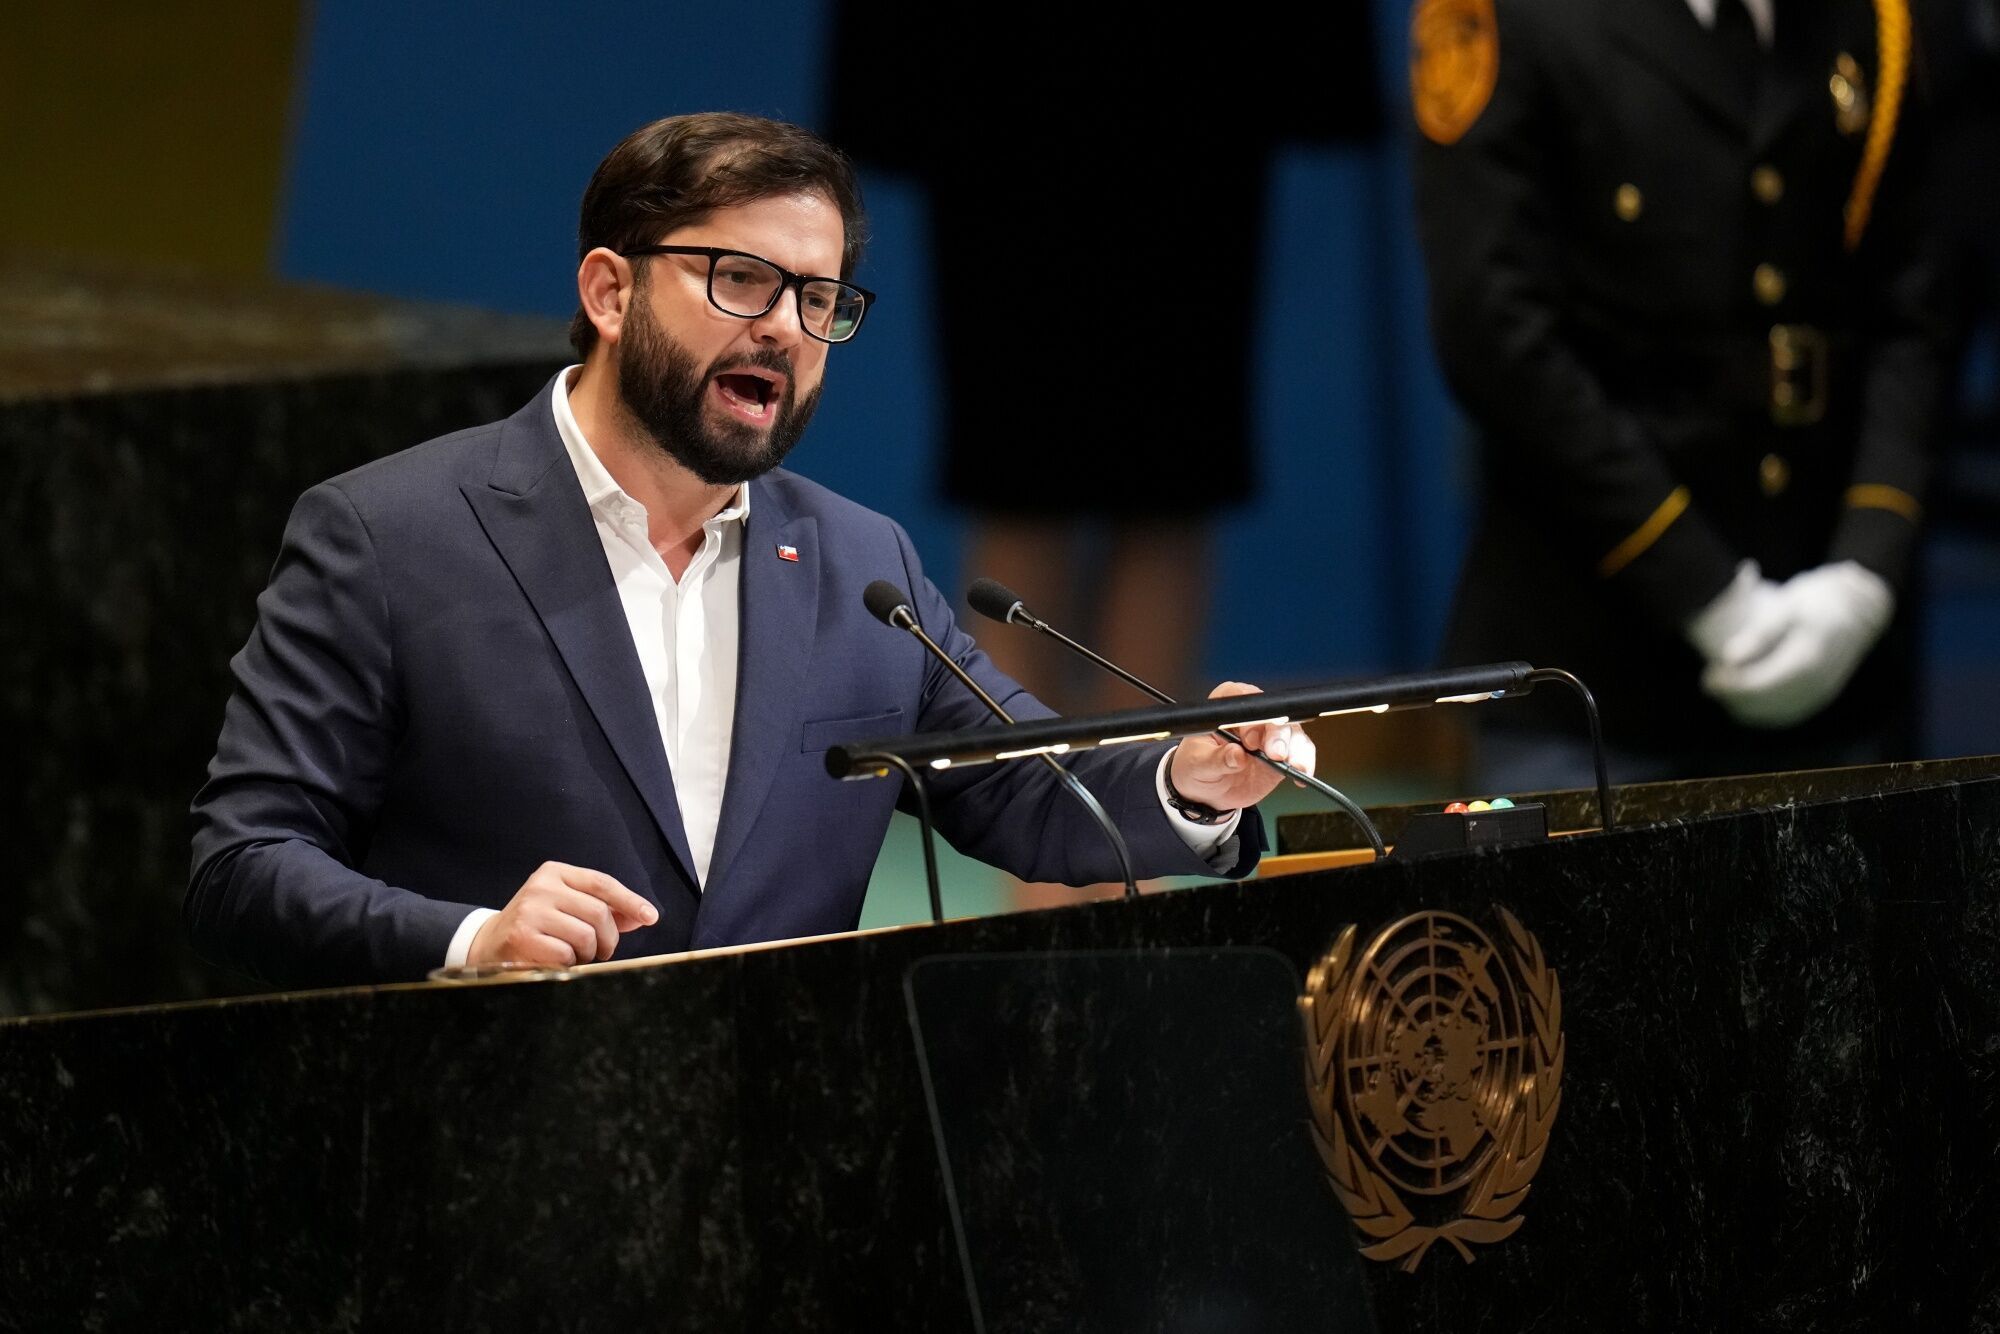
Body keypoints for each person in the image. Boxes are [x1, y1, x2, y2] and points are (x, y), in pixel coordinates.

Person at [184, 113, 1312, 988]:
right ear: (609, 290)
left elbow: (1021, 785)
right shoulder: (391, 534)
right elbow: (243, 866)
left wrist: (1189, 778)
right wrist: (473, 937)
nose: (782, 324)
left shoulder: (856, 566)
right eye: (739, 279)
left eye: (819, 298)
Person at [1411, 0, 1952, 789]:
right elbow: (1495, 338)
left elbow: (1918, 304)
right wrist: (1710, 595)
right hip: (1589, 682)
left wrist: (1866, 570)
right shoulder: (1509, 15)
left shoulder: (1879, 18)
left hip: (1837, 658)